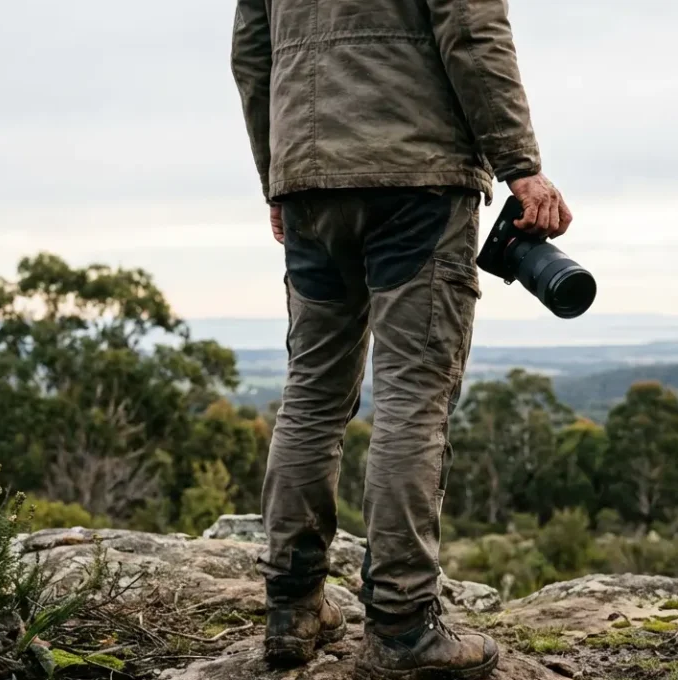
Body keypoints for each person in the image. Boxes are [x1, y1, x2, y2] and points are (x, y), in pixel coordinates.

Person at [231, 0, 572, 677]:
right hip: (416, 177)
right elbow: (472, 31)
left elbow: (251, 54)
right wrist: (521, 165)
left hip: (309, 179)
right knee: (414, 398)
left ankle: (293, 610)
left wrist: (279, 172)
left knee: (312, 396)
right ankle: (402, 625)